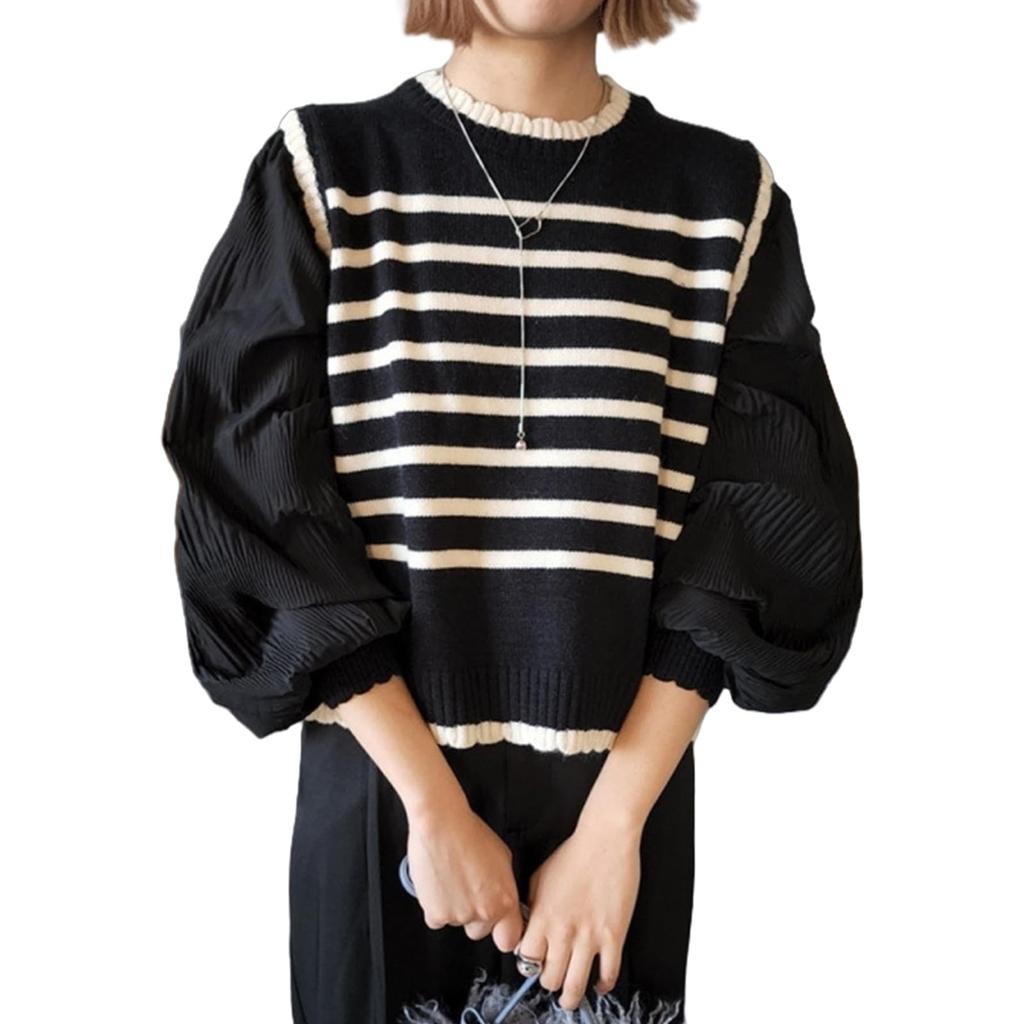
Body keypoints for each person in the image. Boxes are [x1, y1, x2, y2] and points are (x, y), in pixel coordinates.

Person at [160, 1, 863, 1021]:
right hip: (385, 782)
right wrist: (430, 803)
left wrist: (613, 827)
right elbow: (253, 492)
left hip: (623, 795)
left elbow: (761, 519)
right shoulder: (324, 172)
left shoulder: (721, 198)